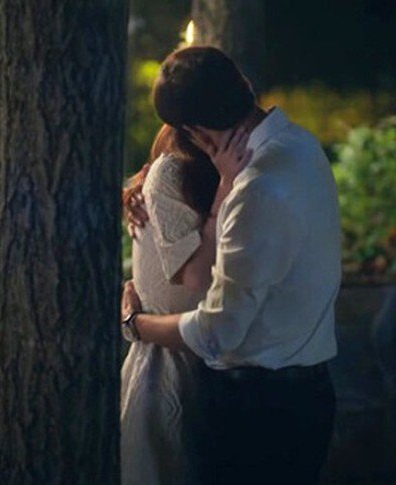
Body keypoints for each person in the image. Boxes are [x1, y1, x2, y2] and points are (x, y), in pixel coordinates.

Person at [122, 46, 341, 484]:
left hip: (254, 411)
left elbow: (219, 333)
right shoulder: (302, 147)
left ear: (195, 131)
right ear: (243, 85)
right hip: (310, 396)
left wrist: (135, 323)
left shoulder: (253, 190)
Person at [120, 122, 251, 485]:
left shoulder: (210, 172)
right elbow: (196, 279)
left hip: (207, 356)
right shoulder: (172, 172)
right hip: (172, 365)